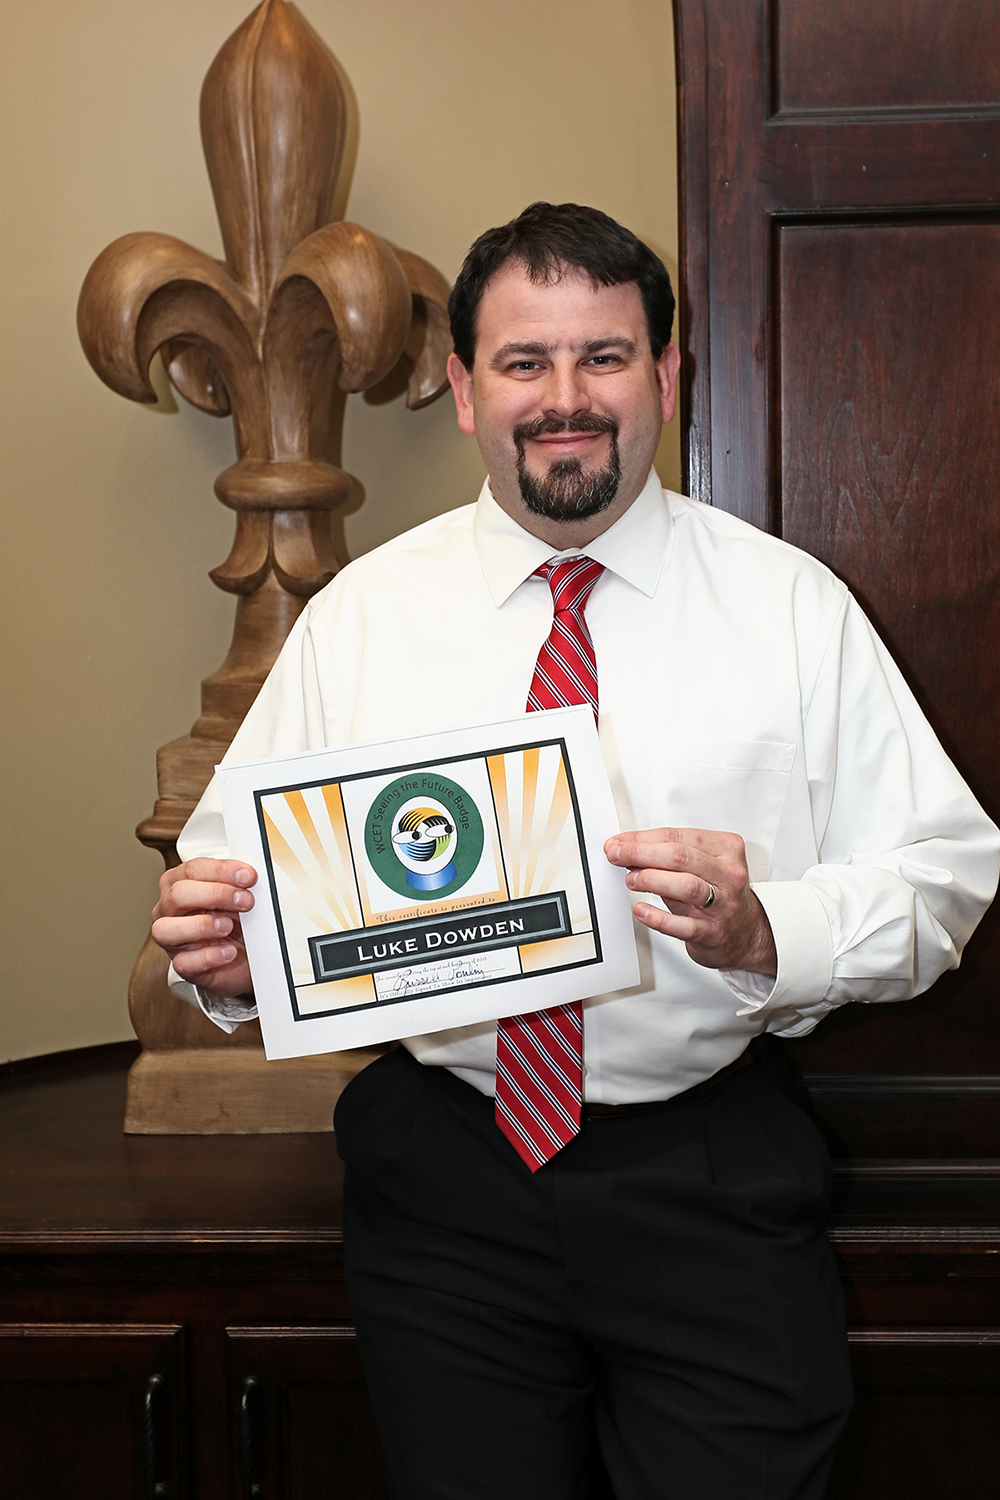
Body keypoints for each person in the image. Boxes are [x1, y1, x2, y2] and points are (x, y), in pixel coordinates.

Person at [152, 202, 1000, 1499]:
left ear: (668, 375)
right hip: (445, 1177)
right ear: (461, 390)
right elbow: (242, 912)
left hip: (707, 1171)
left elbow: (943, 876)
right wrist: (225, 959)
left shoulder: (792, 609)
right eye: (524, 362)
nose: (567, 398)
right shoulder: (360, 622)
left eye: (604, 356)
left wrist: (767, 929)